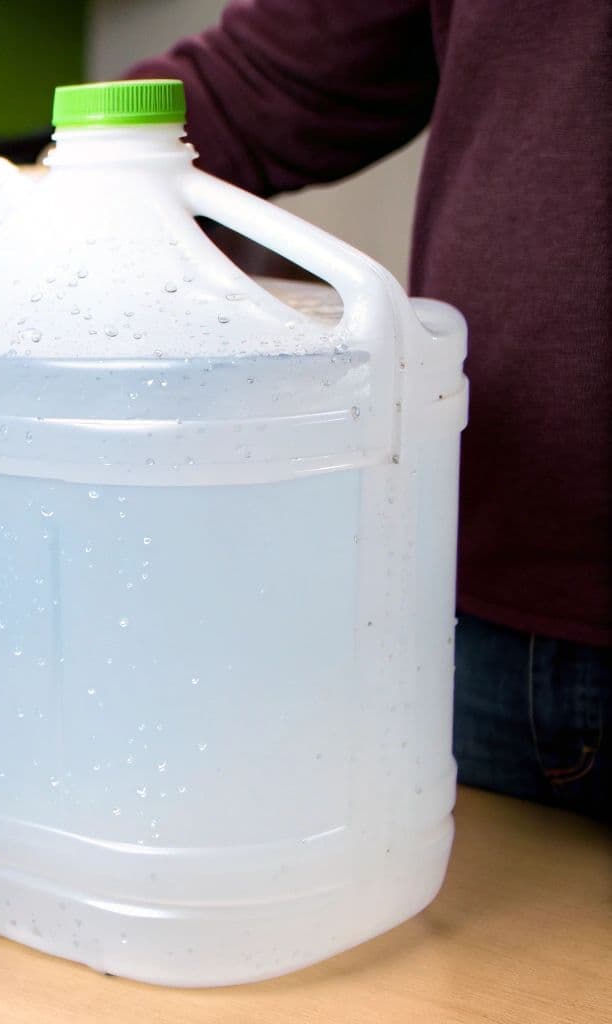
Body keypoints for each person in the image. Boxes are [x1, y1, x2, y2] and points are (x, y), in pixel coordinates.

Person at [121, 0, 611, 820]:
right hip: (476, 619)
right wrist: (68, 177)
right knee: (465, 939)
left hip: (476, 601)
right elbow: (269, 76)